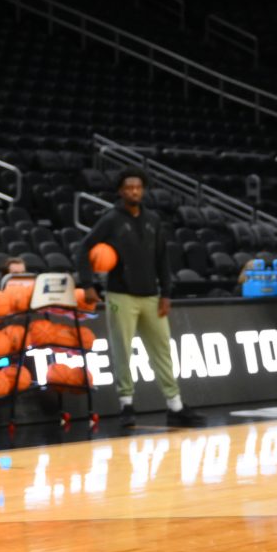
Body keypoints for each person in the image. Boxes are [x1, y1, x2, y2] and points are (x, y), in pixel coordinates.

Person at [84, 171, 203, 429]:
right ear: (120, 191)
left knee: (163, 351)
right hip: (121, 295)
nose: (134, 191)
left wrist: (167, 293)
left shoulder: (152, 219)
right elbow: (84, 248)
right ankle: (126, 404)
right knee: (122, 351)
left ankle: (175, 406)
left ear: (143, 190)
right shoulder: (111, 220)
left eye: (138, 187)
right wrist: (88, 284)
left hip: (152, 296)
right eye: (129, 187)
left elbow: (162, 258)